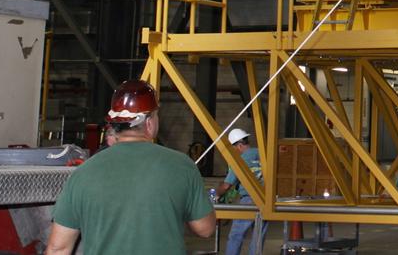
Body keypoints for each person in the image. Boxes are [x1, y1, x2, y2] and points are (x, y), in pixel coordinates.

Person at [47, 79, 215, 254]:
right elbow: (205, 229)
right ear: (149, 122)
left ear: (114, 124)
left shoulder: (83, 173)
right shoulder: (182, 166)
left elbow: (58, 248)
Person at [215, 127, 267, 255]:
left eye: (233, 149)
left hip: (249, 200)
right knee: (258, 237)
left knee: (236, 235)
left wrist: (215, 194)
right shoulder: (263, 153)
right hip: (267, 200)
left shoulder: (240, 159)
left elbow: (227, 185)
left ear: (239, 145)